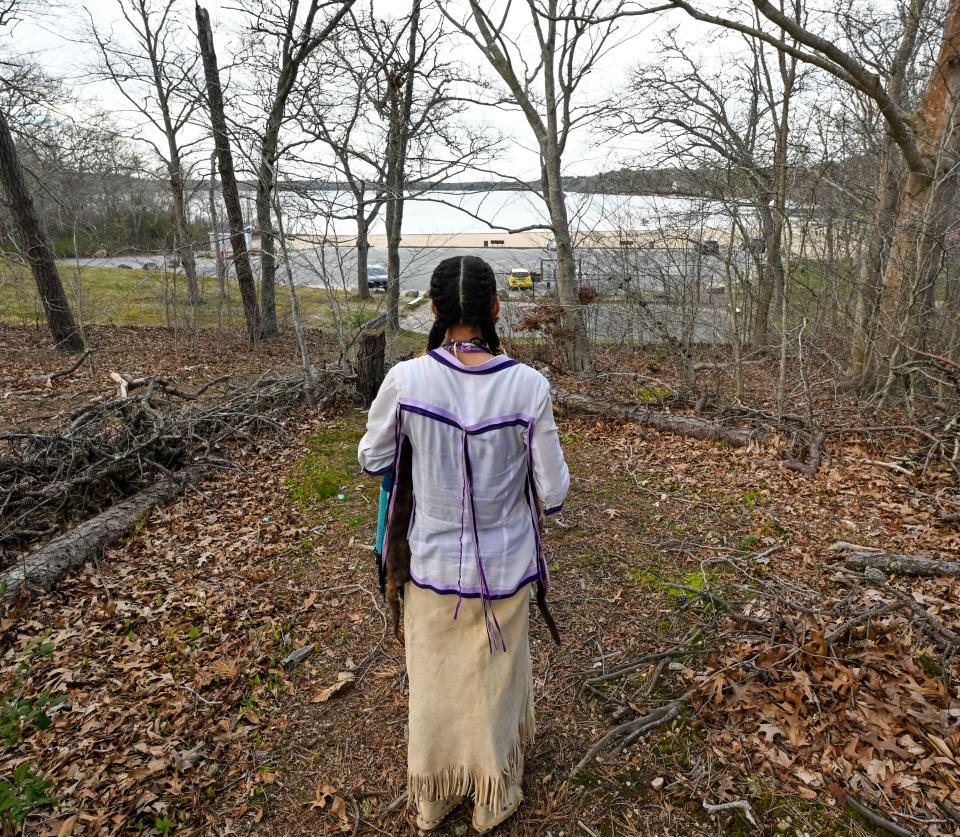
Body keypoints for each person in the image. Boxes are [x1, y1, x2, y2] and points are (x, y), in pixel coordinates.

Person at [358, 255, 569, 833]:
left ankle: (433, 798)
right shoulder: (528, 387)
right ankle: (489, 796)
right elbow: (553, 492)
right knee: (494, 683)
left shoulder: (407, 379)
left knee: (434, 682)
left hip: (427, 563)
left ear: (433, 309)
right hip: (506, 566)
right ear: (496, 309)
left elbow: (372, 457)